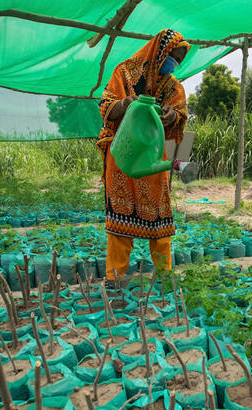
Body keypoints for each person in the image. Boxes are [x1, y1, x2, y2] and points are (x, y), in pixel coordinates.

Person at [96, 29, 190, 289]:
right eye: (173, 56)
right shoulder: (124, 72)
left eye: (180, 60)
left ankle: (165, 275)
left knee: (159, 219)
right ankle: (114, 279)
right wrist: (127, 104)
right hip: (124, 154)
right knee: (119, 220)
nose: (175, 63)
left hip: (152, 159)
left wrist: (172, 116)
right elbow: (105, 106)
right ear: (159, 51)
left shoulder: (172, 86)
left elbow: (180, 117)